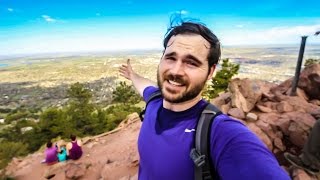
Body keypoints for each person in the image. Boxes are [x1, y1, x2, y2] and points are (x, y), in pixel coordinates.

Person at [119, 20, 290, 179]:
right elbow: (145, 85)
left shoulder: (221, 133)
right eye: (171, 58)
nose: (175, 71)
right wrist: (132, 75)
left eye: (191, 62)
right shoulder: (154, 101)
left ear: (210, 72)